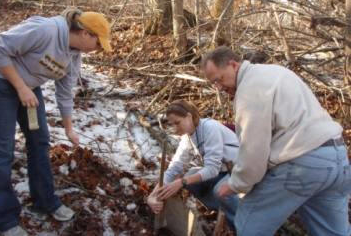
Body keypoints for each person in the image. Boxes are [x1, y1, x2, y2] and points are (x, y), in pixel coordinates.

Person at [201, 46, 351, 236]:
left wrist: (236, 184)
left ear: (233, 64)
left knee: (249, 225)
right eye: (213, 83)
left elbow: (254, 150)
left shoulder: (250, 88)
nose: (219, 88)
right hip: (337, 158)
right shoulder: (276, 72)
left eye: (219, 79)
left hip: (302, 164)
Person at [0, 8, 111, 236]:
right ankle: (4, 219)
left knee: (40, 142)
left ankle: (44, 201)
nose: (98, 50)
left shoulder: (73, 55)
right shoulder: (46, 30)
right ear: (86, 33)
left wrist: (69, 128)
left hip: (28, 87)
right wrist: (20, 87)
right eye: (98, 43)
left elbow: (65, 92)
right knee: (1, 151)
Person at [147, 100, 239, 228]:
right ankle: (222, 209)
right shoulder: (187, 138)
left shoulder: (209, 127)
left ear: (189, 116)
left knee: (220, 190)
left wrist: (181, 181)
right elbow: (174, 168)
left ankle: (241, 223)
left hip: (239, 168)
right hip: (222, 170)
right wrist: (152, 196)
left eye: (177, 122)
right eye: (171, 124)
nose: (175, 128)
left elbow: (212, 169)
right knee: (191, 177)